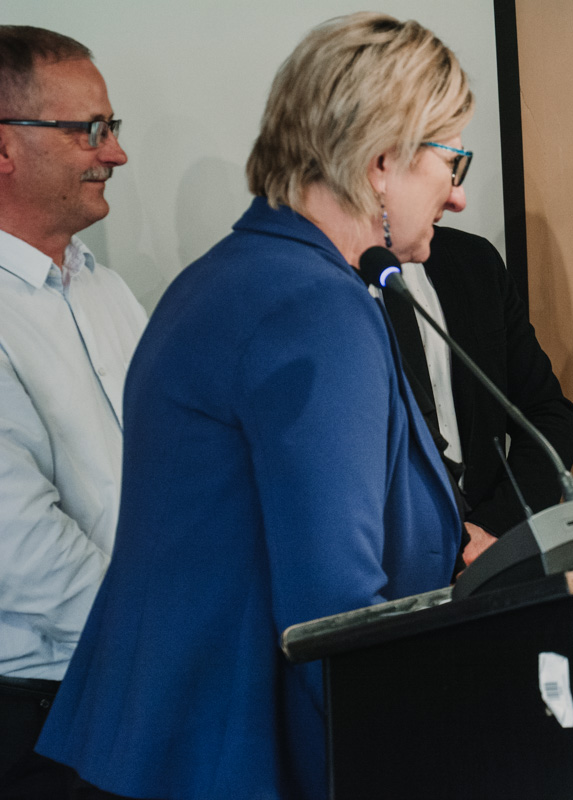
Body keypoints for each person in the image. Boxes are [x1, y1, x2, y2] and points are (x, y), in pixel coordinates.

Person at [36, 14, 471, 799]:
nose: (461, 194)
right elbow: (333, 615)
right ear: (382, 161)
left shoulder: (227, 275)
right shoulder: (314, 307)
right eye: (451, 159)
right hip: (242, 760)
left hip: (167, 750)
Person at [0, 25, 145, 796]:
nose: (115, 153)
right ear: (4, 147)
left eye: (110, 127)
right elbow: (21, 547)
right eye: (89, 130)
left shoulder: (107, 289)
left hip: (135, 683)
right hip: (39, 721)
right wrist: (163, 627)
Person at [378, 224, 573, 567]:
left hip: (488, 558)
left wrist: (495, 526)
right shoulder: (327, 279)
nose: (457, 200)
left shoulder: (475, 259)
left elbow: (548, 415)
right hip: (388, 565)